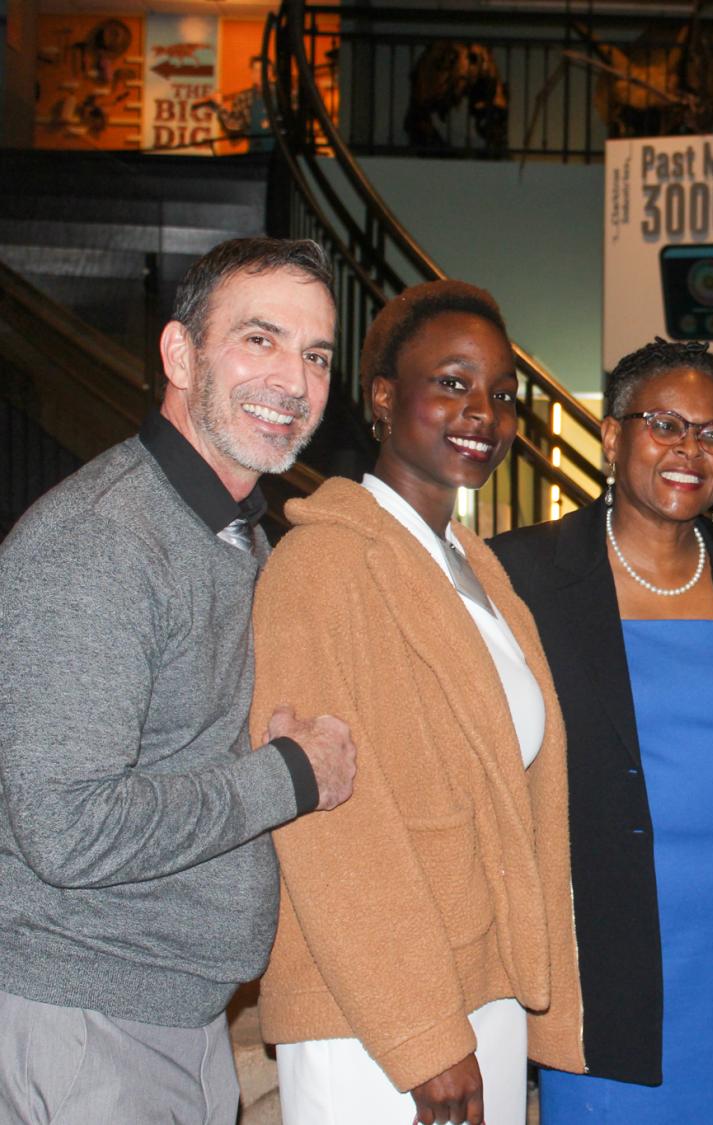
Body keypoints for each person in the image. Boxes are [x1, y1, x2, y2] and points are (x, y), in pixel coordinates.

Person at [0, 237, 358, 1123]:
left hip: (176, 1015)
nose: (293, 380)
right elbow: (67, 828)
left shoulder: (235, 534)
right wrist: (292, 775)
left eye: (315, 355)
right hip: (87, 1015)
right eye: (260, 340)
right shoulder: (103, 541)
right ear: (178, 352)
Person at [248, 281, 584, 1125]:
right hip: (380, 1016)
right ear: (385, 399)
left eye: (504, 394)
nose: (486, 411)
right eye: (453, 382)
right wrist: (424, 1035)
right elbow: (328, 827)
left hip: (483, 988)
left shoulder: (478, 571)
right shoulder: (321, 565)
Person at [491, 339, 713, 1123]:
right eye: (665, 424)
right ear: (613, 435)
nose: (690, 449)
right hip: (601, 956)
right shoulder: (524, 575)